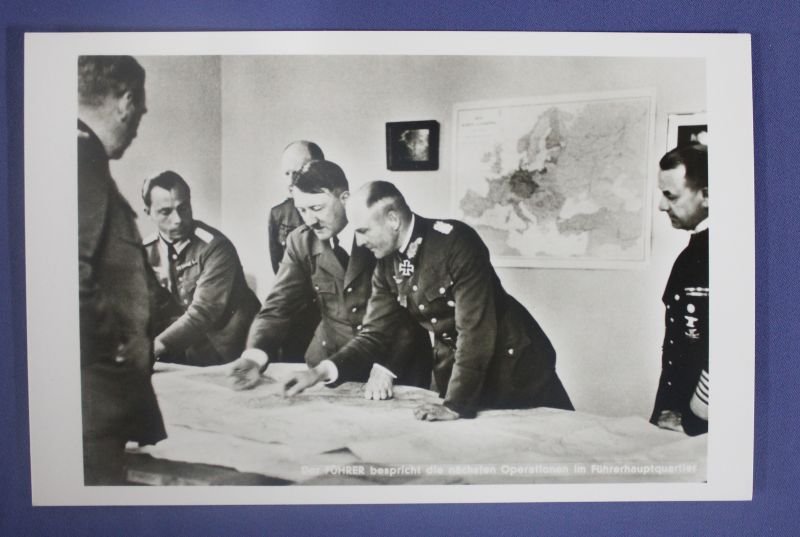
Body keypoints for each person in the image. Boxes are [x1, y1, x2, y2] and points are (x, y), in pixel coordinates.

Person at [282, 180, 574, 421]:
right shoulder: (386, 264)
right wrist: (319, 372)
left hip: (515, 367)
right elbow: (374, 334)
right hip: (461, 372)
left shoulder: (456, 242)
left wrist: (456, 404)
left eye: (363, 231)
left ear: (393, 219)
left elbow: (475, 329)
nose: (359, 242)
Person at [228, 161, 432, 396]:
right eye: (302, 210)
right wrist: (253, 357)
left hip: (393, 364)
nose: (310, 220)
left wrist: (387, 368)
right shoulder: (301, 241)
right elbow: (277, 307)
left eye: (317, 208)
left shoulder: (382, 233)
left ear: (344, 198)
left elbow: (409, 315)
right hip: (329, 365)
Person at [78, 55, 165, 484]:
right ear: (126, 102)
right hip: (95, 401)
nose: (136, 128)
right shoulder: (81, 161)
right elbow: (69, 278)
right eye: (140, 114)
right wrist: (114, 353)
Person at [142, 171, 261, 366]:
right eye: (166, 212)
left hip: (230, 350)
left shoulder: (216, 246)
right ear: (148, 212)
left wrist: (153, 348)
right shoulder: (146, 251)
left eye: (183, 208)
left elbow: (204, 311)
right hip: (185, 349)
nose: (178, 219)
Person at [650, 144, 709, 436]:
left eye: (671, 196)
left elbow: (734, 346)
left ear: (707, 195)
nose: (662, 206)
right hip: (677, 414)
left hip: (698, 425)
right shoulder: (694, 252)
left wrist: (693, 420)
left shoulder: (727, 253)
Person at [266, 140, 324, 361]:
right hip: (298, 313)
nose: (290, 182)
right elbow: (279, 268)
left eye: (297, 173)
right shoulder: (278, 214)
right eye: (286, 173)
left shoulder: (341, 209)